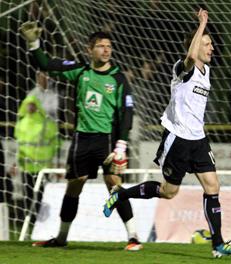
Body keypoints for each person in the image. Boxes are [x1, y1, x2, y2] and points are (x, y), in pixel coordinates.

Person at [103, 9, 231, 258]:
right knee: (169, 192)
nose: (211, 48)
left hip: (198, 139)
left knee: (213, 186)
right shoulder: (183, 67)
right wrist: (201, 25)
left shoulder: (207, 71)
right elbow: (191, 56)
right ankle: (120, 194)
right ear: (195, 45)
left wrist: (204, 32)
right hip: (177, 138)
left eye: (211, 43)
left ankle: (218, 245)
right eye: (207, 43)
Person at [20, 22, 142, 250]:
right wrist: (33, 43)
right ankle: (62, 238)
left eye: (108, 46)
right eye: (100, 46)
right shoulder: (80, 71)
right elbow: (45, 64)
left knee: (114, 184)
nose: (106, 50)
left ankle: (133, 236)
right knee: (74, 186)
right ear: (90, 50)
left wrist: (121, 145)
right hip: (81, 139)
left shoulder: (118, 78)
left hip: (106, 140)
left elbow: (127, 113)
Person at [14, 95, 58, 222]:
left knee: (41, 193)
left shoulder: (46, 123)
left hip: (42, 166)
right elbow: (18, 144)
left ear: (37, 106)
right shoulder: (21, 124)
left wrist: (53, 159)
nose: (30, 107)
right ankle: (30, 218)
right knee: (27, 194)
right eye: (28, 104)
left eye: (33, 104)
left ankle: (41, 218)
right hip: (26, 165)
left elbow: (55, 142)